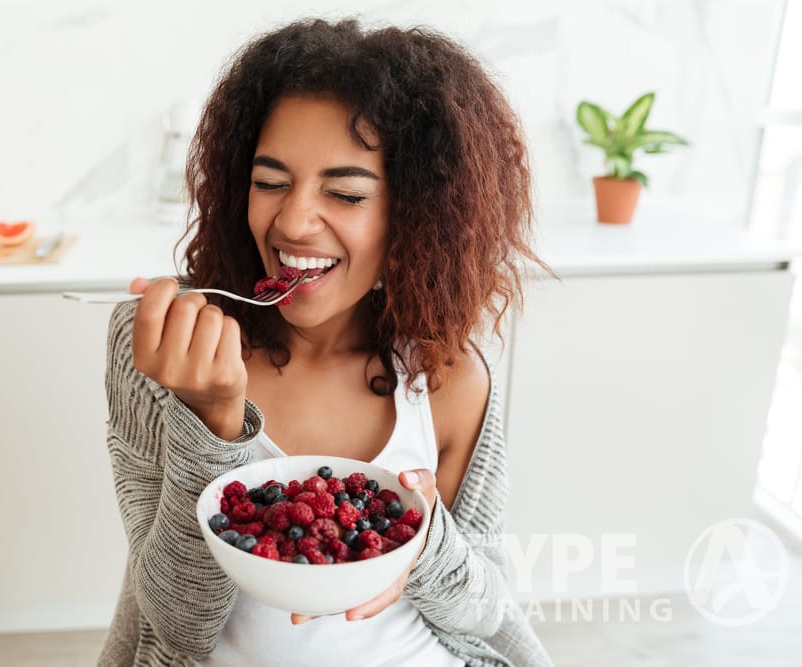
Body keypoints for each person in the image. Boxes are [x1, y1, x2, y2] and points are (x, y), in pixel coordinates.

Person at [99, 17, 555, 667]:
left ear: (415, 212)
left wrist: (425, 544)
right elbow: (177, 623)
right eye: (270, 181)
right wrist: (212, 423)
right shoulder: (166, 350)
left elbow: (485, 607)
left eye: (343, 191)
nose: (291, 221)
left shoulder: (447, 375)